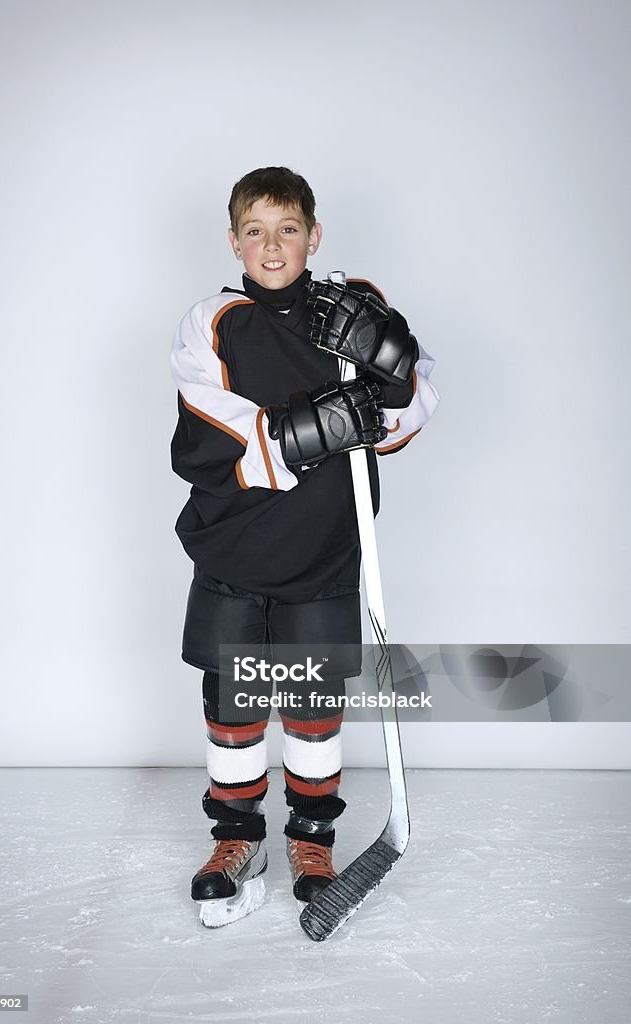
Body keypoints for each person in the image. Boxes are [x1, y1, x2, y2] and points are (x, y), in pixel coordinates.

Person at [169, 166, 439, 927]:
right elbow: (205, 430)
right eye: (254, 230)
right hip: (231, 550)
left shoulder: (357, 306)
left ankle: (312, 839)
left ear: (312, 235)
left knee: (313, 707)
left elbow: (410, 410)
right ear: (234, 242)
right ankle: (236, 839)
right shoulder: (212, 322)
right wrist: (311, 429)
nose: (271, 244)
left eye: (287, 228)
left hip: (323, 550)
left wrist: (390, 376)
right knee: (233, 705)